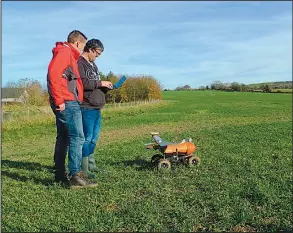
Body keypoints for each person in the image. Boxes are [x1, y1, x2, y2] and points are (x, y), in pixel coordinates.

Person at [47, 30, 98, 188]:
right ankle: (75, 175)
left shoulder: (65, 53)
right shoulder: (65, 52)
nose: (82, 50)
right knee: (77, 137)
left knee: (63, 137)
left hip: (66, 100)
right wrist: (59, 100)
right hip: (67, 102)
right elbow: (53, 74)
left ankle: (60, 173)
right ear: (77, 43)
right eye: (82, 46)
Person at [77, 39, 113, 178]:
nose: (97, 56)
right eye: (97, 53)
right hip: (86, 107)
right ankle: (84, 169)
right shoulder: (80, 63)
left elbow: (94, 84)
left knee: (93, 139)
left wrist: (104, 86)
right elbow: (83, 83)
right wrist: (100, 82)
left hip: (97, 107)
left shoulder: (93, 65)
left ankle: (92, 165)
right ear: (91, 49)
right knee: (86, 138)